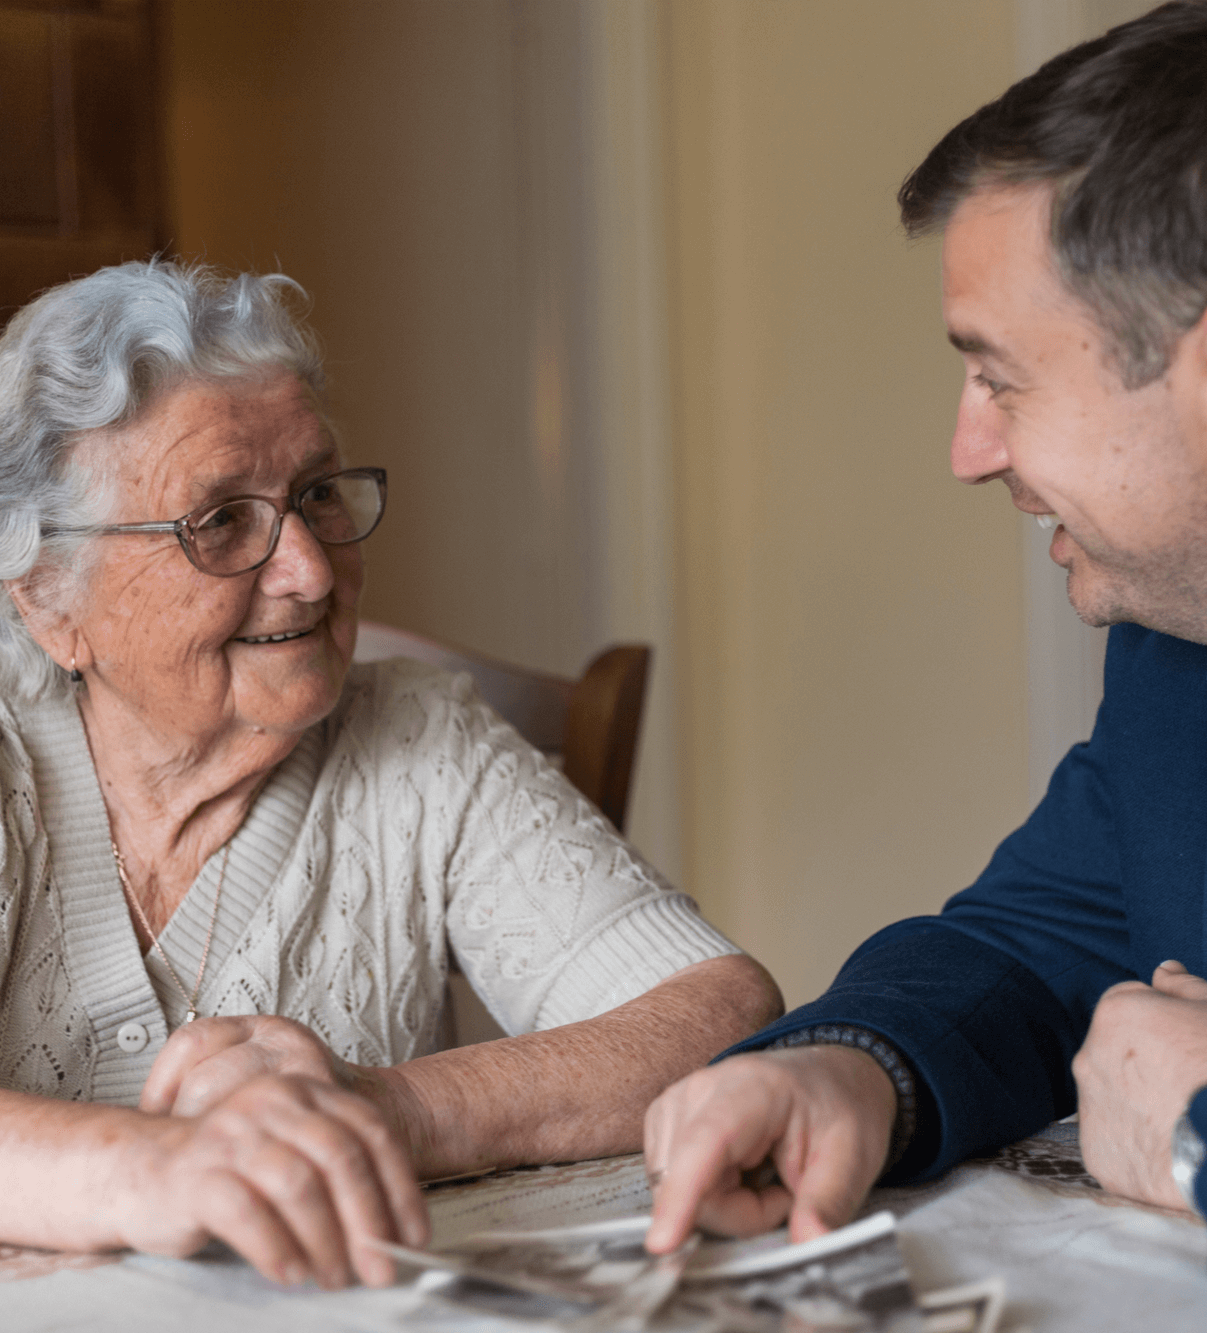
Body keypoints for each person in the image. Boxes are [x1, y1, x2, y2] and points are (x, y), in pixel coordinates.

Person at [643, 0, 1207, 1310]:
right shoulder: (1187, 665)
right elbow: (1031, 937)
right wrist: (847, 1069)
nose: (970, 450)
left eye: (1000, 378)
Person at [0, 260, 781, 1290]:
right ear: (50, 598)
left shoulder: (421, 742)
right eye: (221, 519)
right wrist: (157, 1165)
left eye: (317, 494)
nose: (312, 570)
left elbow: (723, 1012)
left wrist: (393, 1108)